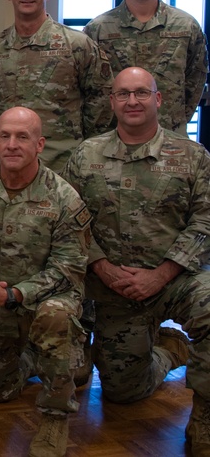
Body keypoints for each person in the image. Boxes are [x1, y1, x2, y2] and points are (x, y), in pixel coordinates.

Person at [65, 67, 210, 456]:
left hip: (175, 279)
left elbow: (205, 221)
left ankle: (205, 417)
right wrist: (101, 266)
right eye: (123, 94)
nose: (132, 101)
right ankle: (168, 351)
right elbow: (70, 222)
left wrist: (162, 274)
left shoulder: (192, 156)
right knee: (122, 392)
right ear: (112, 102)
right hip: (112, 286)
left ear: (158, 99)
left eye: (141, 93)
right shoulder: (85, 155)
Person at [0, 107, 90, 457]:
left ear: (40, 144)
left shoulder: (63, 197)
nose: (12, 145)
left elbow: (68, 268)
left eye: (22, 137)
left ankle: (55, 416)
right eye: (4, 136)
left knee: (55, 318)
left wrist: (12, 294)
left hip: (47, 299)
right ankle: (36, 357)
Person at [0, 0, 112, 172]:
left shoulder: (77, 45)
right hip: (5, 166)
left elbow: (102, 104)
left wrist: (86, 152)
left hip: (62, 165)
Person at [84, 0, 208, 134]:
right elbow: (88, 87)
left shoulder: (186, 26)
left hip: (169, 137)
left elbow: (195, 81)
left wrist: (173, 118)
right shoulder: (97, 29)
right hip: (112, 138)